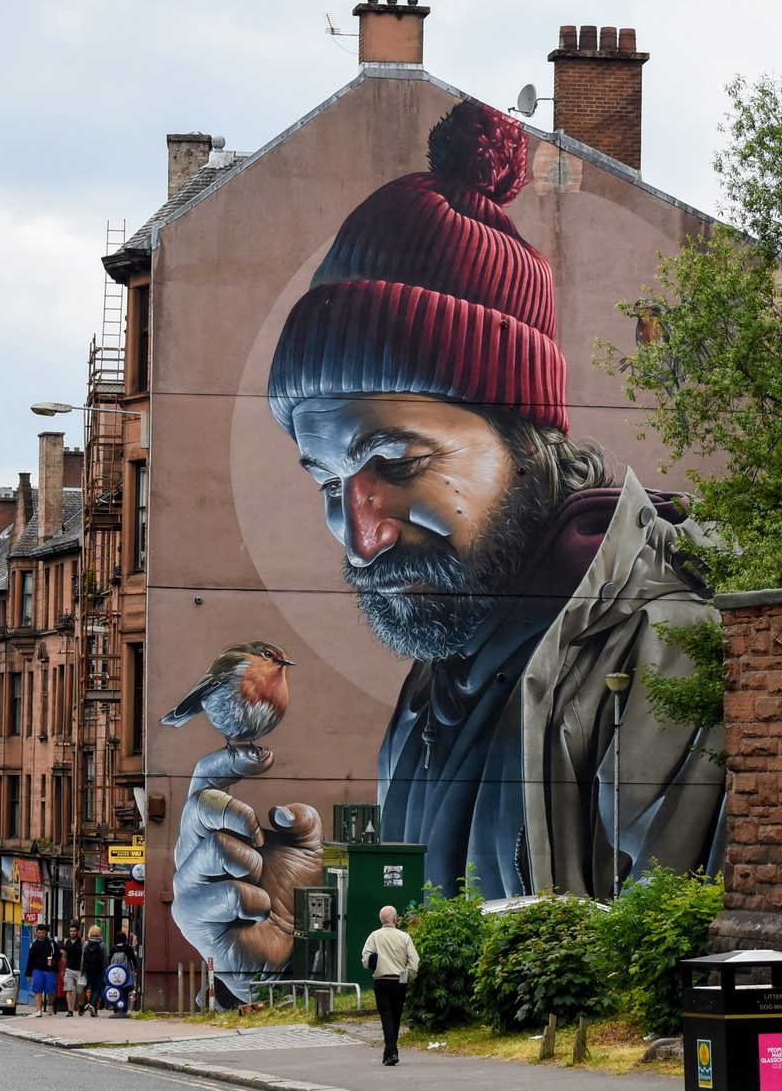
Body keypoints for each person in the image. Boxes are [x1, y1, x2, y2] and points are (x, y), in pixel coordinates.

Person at [172, 98, 726, 1005]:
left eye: (394, 461)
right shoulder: (444, 680)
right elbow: (447, 988)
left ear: (526, 433)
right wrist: (289, 955)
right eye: (326, 484)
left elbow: (688, 990)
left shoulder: (670, 655)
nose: (360, 533)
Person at [361, 906, 418, 1066]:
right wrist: (409, 976)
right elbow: (414, 961)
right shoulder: (404, 937)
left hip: (381, 980)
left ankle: (391, 1052)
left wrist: (374, 965)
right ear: (395, 919)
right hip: (400, 980)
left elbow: (366, 958)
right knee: (396, 1016)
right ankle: (390, 1051)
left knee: (386, 1015)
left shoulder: (374, 936)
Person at [24, 924, 56, 1016]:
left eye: (42, 933)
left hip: (50, 970)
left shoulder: (52, 943)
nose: (41, 934)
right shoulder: (34, 945)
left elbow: (57, 955)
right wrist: (28, 973)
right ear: (37, 933)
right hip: (37, 969)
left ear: (46, 933)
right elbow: (30, 959)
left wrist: (53, 961)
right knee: (37, 990)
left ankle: (50, 1004)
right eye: (39, 933)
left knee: (51, 990)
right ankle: (38, 1010)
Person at [78, 924, 106, 1017]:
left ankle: (88, 1005)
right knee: (98, 988)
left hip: (88, 969)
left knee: (88, 988)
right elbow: (104, 958)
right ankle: (93, 1005)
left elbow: (82, 958)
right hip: (99, 969)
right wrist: (107, 968)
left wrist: (82, 970)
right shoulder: (102, 944)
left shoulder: (86, 943)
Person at [59, 923, 83, 1017]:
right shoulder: (66, 942)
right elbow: (64, 956)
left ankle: (81, 1005)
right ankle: (70, 1010)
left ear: (77, 932)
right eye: (71, 931)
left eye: (74, 931)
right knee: (68, 990)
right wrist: (63, 970)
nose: (72, 933)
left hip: (79, 970)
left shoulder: (81, 941)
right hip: (69, 969)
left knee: (80, 990)